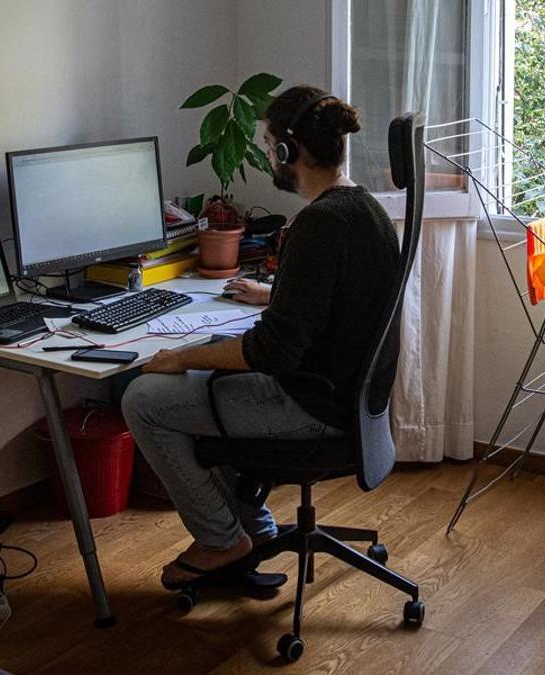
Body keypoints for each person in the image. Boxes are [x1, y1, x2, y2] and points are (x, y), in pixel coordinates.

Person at [121, 86, 400, 589]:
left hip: (312, 405)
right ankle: (254, 528)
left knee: (144, 398)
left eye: (270, 144)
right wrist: (275, 296)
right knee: (200, 381)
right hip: (351, 400)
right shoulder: (365, 211)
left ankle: (221, 542)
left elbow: (272, 352)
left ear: (289, 152)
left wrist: (183, 356)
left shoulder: (318, 225)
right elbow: (343, 303)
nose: (269, 155)